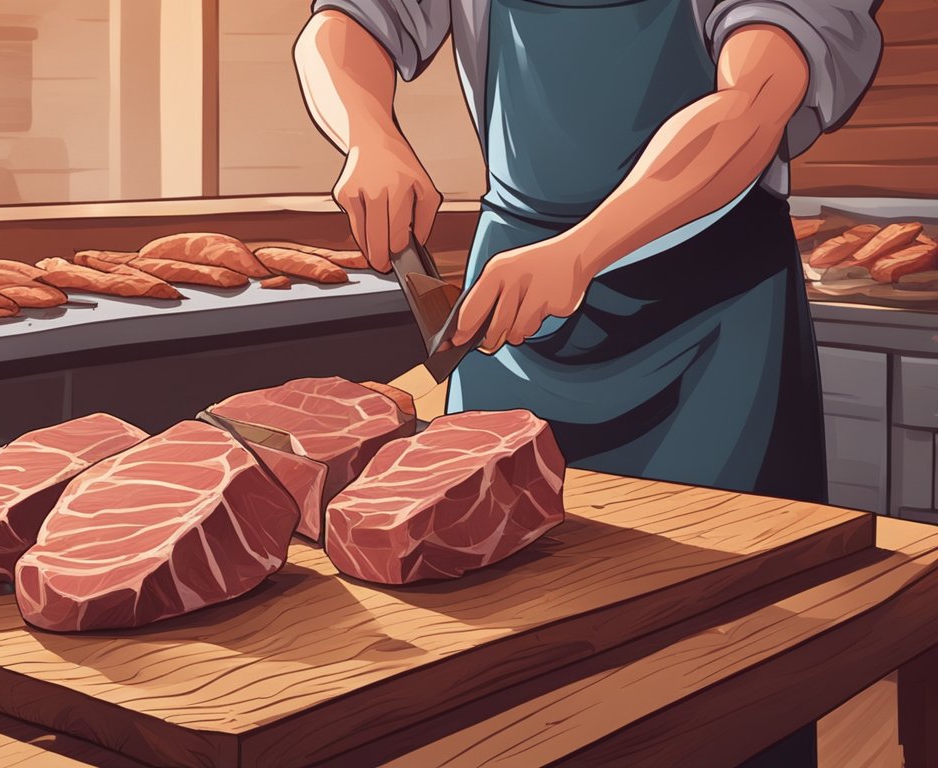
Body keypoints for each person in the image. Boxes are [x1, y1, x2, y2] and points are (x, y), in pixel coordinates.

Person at [295, 1, 881, 764]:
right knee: (495, 662)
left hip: (711, 332)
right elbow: (345, 24)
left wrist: (582, 252)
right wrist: (368, 134)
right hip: (512, 312)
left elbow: (751, 104)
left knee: (729, 663)